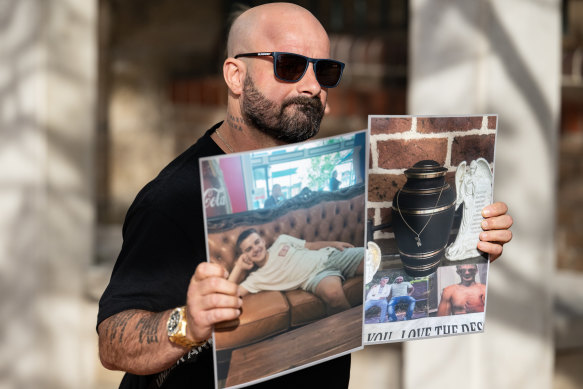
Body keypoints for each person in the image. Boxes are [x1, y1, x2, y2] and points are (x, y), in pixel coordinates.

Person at [96, 3, 514, 388]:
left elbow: (395, 274)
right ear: (235, 76)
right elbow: (113, 342)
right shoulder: (174, 197)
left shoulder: (345, 181)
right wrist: (188, 323)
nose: (313, 85)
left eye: (325, 71)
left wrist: (465, 241)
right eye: (290, 66)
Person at [228, 228, 363, 314]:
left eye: (256, 242)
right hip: (316, 277)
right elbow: (229, 296)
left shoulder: (282, 240)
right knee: (333, 294)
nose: (255, 249)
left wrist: (334, 244)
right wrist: (238, 267)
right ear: (244, 255)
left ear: (263, 241)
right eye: (248, 249)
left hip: (330, 255)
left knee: (373, 259)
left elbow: (310, 246)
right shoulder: (256, 278)